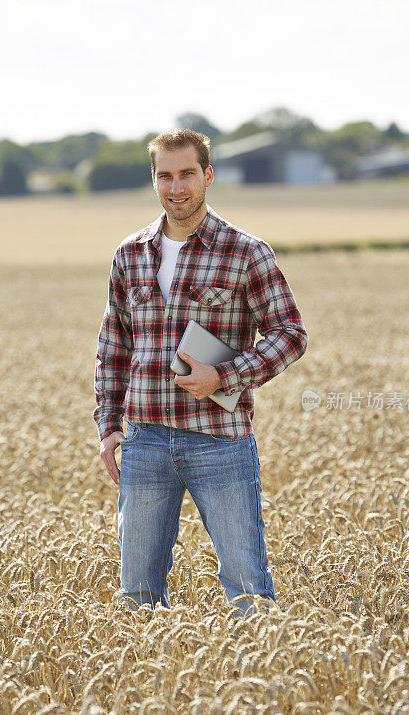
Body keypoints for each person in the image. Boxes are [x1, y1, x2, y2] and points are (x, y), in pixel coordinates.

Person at [93, 128, 308, 618]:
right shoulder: (129, 254)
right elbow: (113, 345)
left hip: (219, 439)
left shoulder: (245, 251)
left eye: (187, 173)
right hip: (145, 442)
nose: (177, 186)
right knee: (137, 596)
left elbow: (290, 334)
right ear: (154, 181)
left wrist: (224, 377)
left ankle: (261, 690)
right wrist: (108, 427)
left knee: (247, 587)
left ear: (208, 175)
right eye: (165, 175)